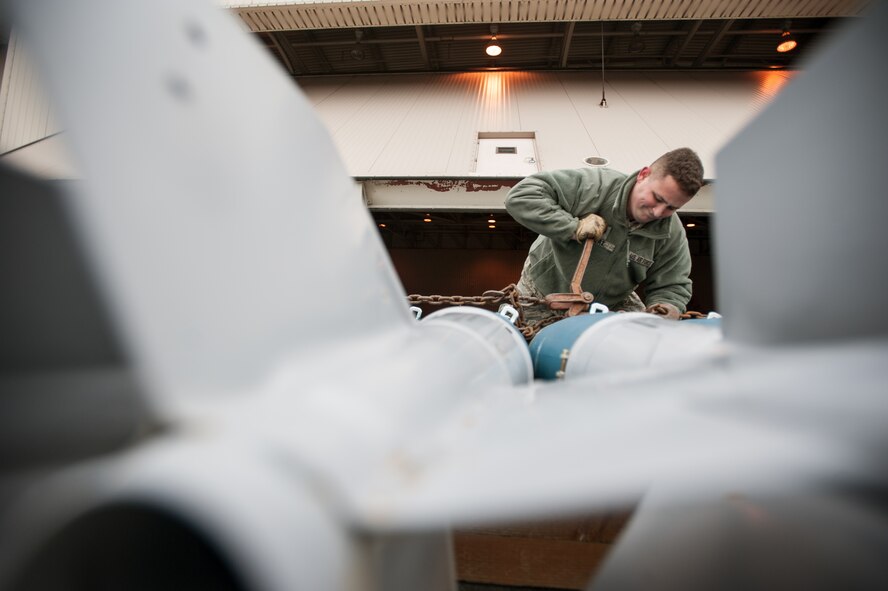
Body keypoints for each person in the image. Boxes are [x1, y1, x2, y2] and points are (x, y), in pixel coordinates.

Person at [505, 147, 704, 322]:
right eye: (657, 198)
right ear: (643, 175)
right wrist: (573, 227)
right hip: (541, 292)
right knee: (511, 346)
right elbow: (522, 196)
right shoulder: (595, 186)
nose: (658, 212)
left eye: (671, 207)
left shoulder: (671, 233)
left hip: (610, 305)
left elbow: (672, 284)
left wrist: (667, 308)